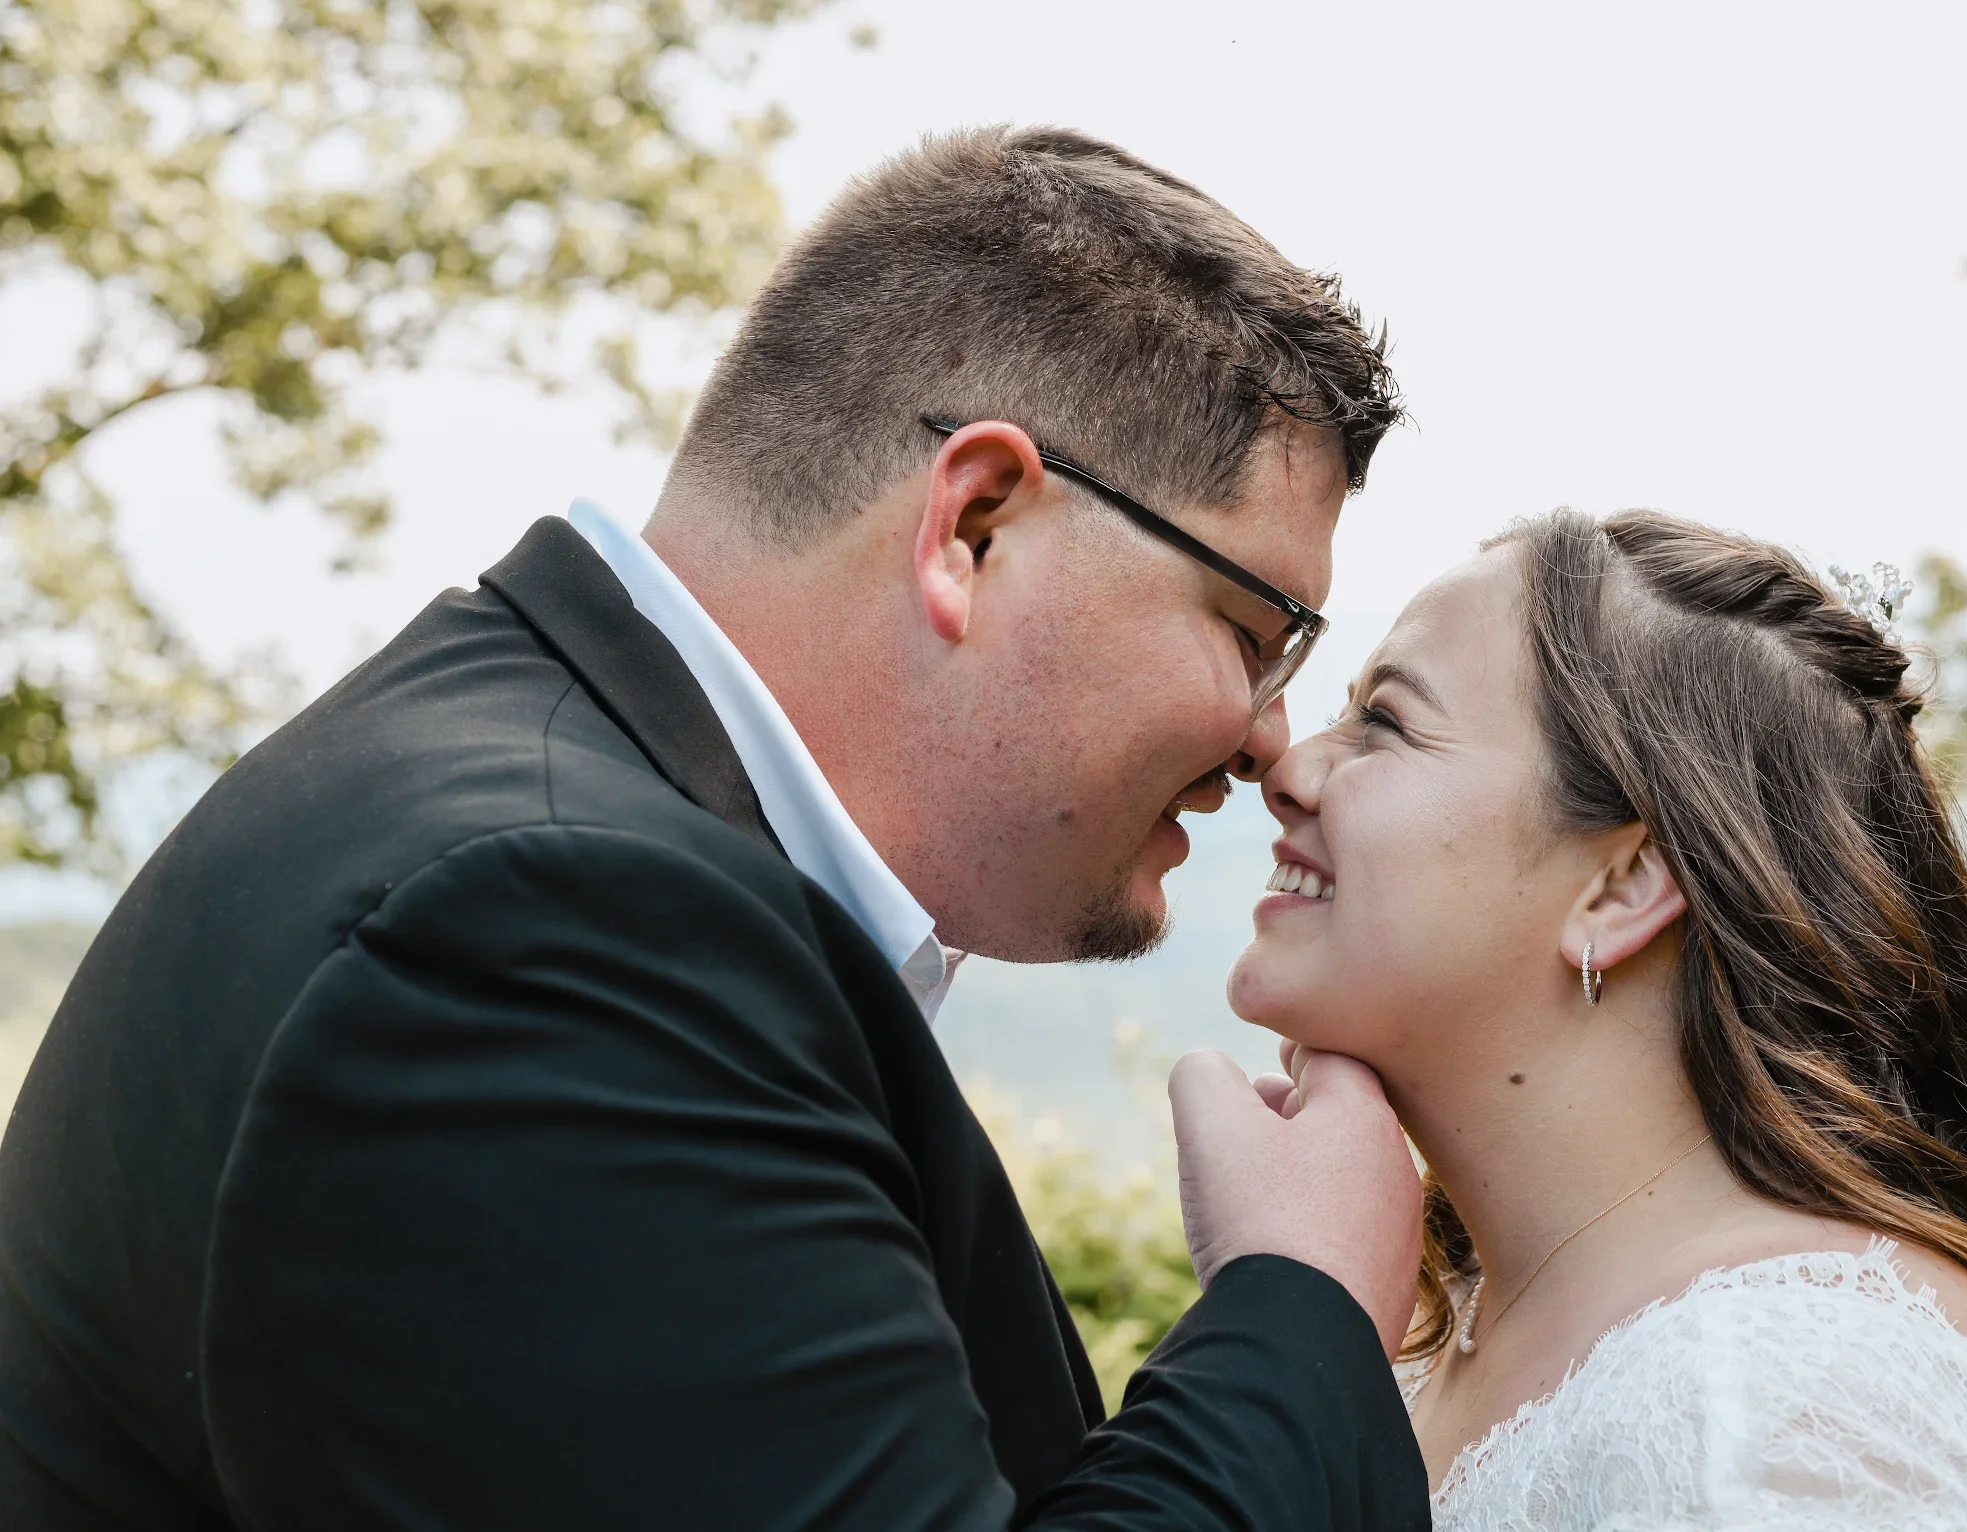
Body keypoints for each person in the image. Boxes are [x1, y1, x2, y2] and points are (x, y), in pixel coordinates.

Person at [0, 127, 1432, 1529]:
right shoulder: (545, 942)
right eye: (1254, 633)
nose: (1268, 742)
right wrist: (1296, 1301)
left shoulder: (507, 811)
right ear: (974, 524)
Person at [1229, 509, 1967, 1530]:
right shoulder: (1441, 1343)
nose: (1290, 766)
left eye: (1384, 721)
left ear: (1620, 884)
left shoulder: (1770, 1405)